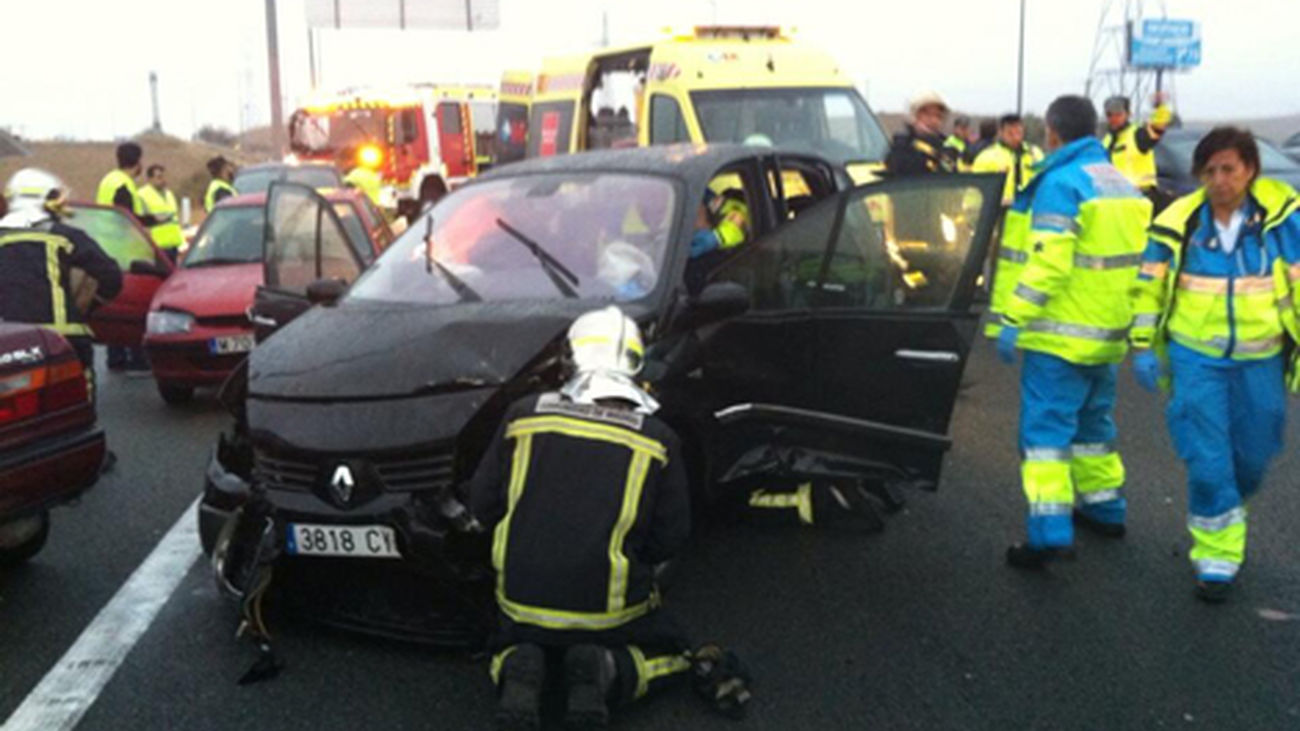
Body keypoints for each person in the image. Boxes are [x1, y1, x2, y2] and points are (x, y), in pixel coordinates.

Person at [469, 306, 749, 729]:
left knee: (506, 639)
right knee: (673, 651)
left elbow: (482, 503)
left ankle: (515, 665)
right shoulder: (659, 439)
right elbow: (670, 537)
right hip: (609, 610)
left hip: (520, 600)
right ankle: (606, 670)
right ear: (634, 365)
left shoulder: (522, 416)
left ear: (572, 359)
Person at [1129, 127, 1300, 602]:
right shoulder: (1179, 224)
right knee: (1208, 461)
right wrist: (1143, 344)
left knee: (1254, 454)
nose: (1220, 179)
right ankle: (1217, 558)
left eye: (1230, 168)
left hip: (1259, 358)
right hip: (1195, 359)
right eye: (1210, 170)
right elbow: (1148, 288)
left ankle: (1228, 504)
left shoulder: (1283, 222)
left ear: (1250, 170)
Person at [988, 95, 1152, 569]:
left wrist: (1014, 317)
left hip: (1059, 337)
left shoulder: (1060, 183)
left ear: (1053, 133)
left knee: (1044, 437)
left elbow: (1051, 264)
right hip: (1106, 333)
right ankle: (1105, 508)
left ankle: (1049, 532)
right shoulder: (1120, 182)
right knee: (1094, 427)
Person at [1, 168, 123, 390]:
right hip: (64, 344)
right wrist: (85, 307)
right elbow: (112, 277)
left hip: (10, 347)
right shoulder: (67, 237)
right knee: (74, 412)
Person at [95, 142, 153, 372]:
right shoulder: (124, 185)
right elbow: (127, 219)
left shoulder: (109, 179)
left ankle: (116, 357)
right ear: (137, 161)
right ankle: (137, 359)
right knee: (132, 306)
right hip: (124, 252)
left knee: (114, 304)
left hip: (107, 247)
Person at [1102, 94, 1173, 201]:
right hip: (1115, 198)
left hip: (1141, 196)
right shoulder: (1106, 140)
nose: (1114, 118)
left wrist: (1160, 107)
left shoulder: (1138, 134)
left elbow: (1158, 126)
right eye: (1110, 115)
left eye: (1118, 114)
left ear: (1128, 114)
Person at [972, 113, 1045, 206]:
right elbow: (975, 192)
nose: (1016, 137)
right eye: (1010, 133)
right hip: (1001, 214)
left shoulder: (1035, 154)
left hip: (1030, 214)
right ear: (1001, 132)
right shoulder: (986, 158)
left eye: (1019, 132)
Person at [885, 90, 957, 176]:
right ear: (913, 117)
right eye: (927, 115)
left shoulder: (947, 149)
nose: (933, 121)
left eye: (938, 116)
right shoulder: (901, 148)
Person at [138, 164, 184, 262]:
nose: (163, 180)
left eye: (163, 176)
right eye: (159, 177)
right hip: (157, 247)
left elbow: (174, 218)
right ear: (150, 179)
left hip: (173, 244)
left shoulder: (169, 194)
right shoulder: (142, 195)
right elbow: (140, 222)